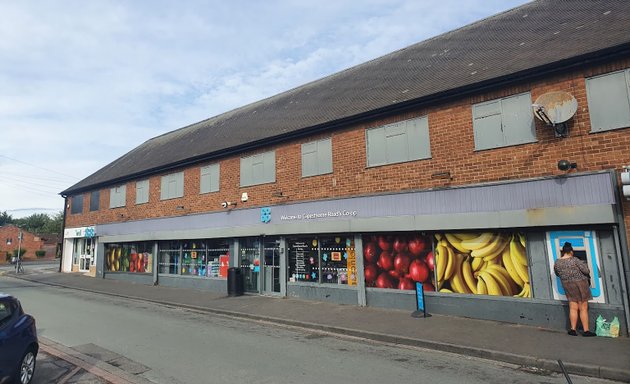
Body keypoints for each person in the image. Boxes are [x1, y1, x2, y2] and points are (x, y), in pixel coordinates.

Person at [553, 242, 596, 336]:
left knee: (573, 307)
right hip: (580, 284)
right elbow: (586, 270)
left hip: (567, 285)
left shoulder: (557, 262)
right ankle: (586, 331)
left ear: (563, 252)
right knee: (583, 307)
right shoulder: (575, 260)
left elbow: (557, 273)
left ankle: (572, 329)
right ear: (571, 251)